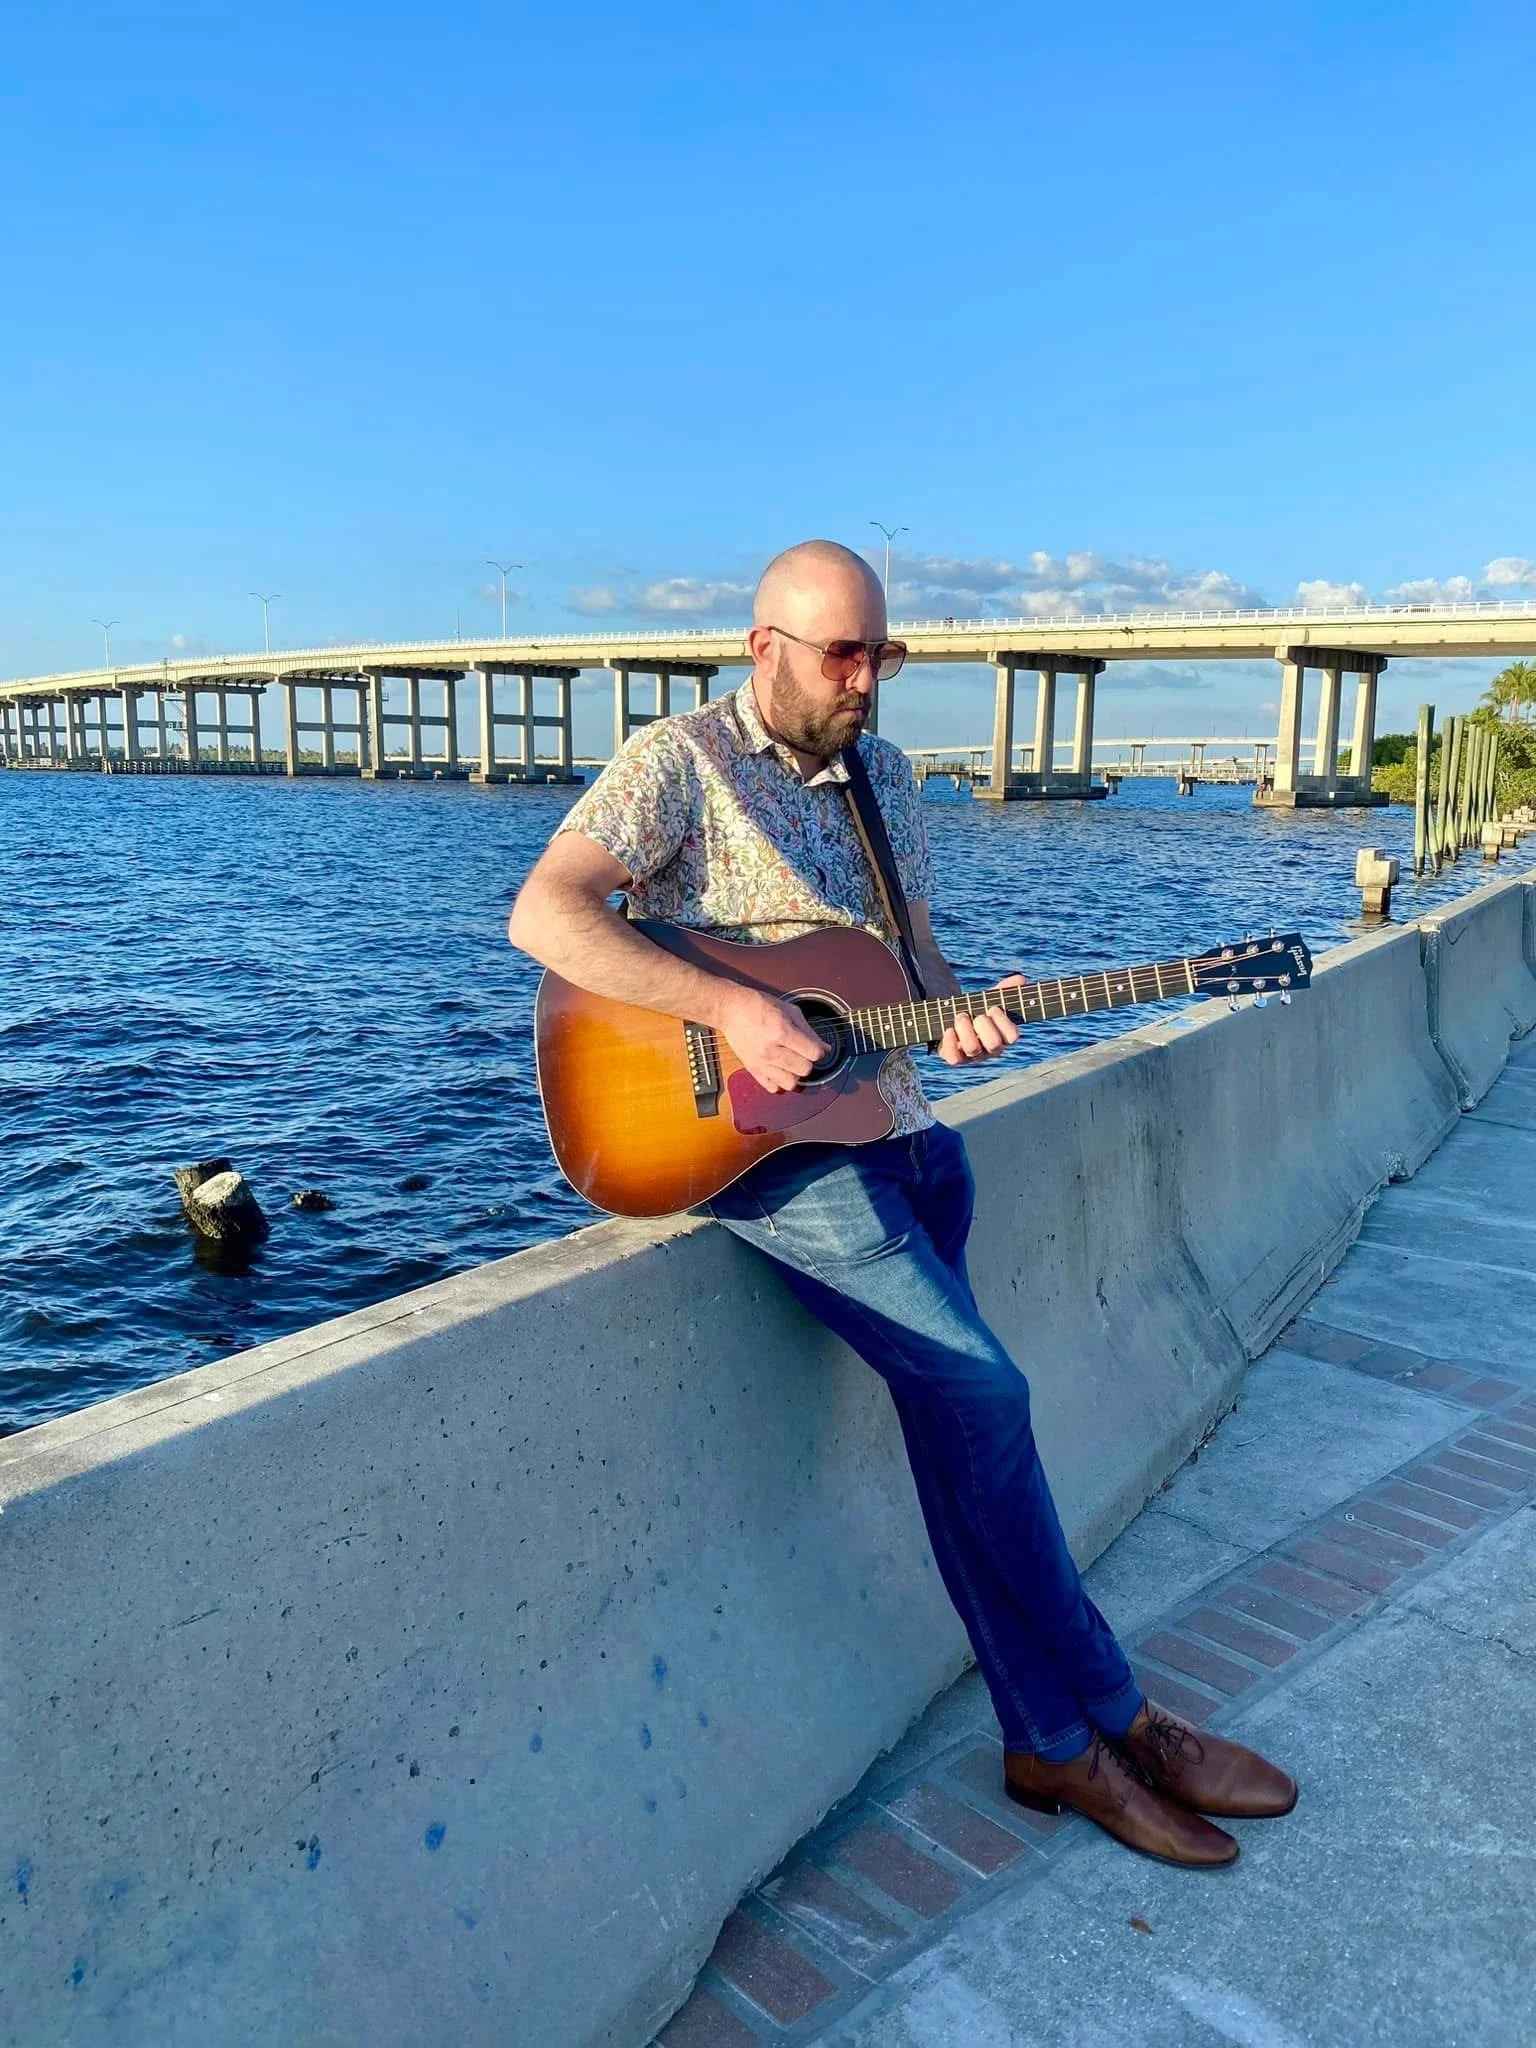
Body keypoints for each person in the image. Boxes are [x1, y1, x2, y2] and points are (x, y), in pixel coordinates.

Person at [508, 538, 1296, 1865]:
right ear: (763, 647)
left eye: (883, 652)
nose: (867, 679)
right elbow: (546, 914)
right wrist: (736, 1009)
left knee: (957, 1440)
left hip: (906, 1131)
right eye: (841, 654)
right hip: (772, 1157)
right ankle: (1122, 1717)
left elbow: (908, 963)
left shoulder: (887, 778)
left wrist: (968, 1007)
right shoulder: (677, 763)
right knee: (988, 1393)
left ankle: (1049, 1749)